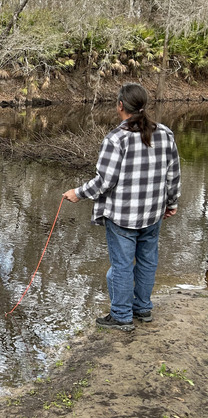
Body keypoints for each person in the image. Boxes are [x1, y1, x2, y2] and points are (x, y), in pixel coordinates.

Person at [62, 83, 181, 332]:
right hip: (153, 212)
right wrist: (172, 202)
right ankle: (142, 309)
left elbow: (105, 181)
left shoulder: (116, 138)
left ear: (120, 106)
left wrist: (78, 193)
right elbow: (173, 174)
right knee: (147, 261)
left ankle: (121, 316)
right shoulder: (165, 133)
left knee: (123, 265)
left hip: (122, 217)